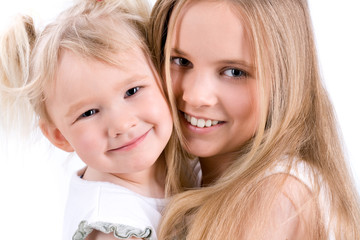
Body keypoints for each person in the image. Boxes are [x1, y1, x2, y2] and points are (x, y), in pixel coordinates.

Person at [147, 0, 360, 239]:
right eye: (181, 61)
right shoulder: (195, 173)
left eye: (234, 72)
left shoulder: (277, 195)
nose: (195, 96)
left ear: (285, 81)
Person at [0, 0, 176, 239]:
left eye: (132, 91)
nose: (122, 124)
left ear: (163, 77)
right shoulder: (114, 226)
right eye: (89, 113)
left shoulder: (183, 160)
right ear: (59, 136)